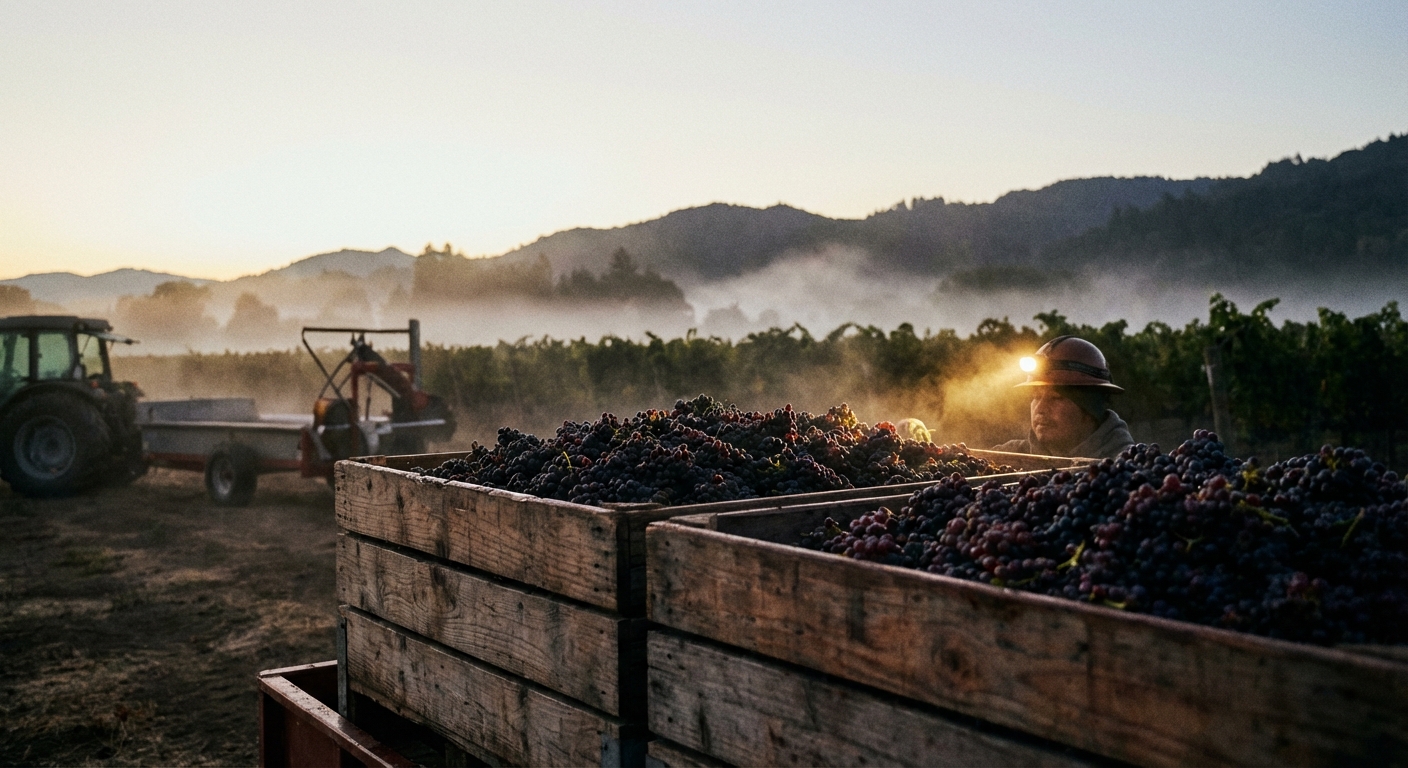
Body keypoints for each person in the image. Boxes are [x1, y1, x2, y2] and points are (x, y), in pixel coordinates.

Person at [993, 336, 1134, 459]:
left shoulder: (1130, 469)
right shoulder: (1007, 458)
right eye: (1036, 396)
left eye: (1056, 398)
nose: (1040, 408)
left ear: (1090, 410)